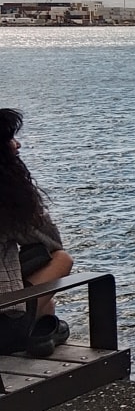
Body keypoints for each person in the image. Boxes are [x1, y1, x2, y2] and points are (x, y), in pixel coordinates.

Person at [0, 108, 74, 355]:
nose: (17, 145)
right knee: (60, 259)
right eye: (10, 139)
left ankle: (40, 324)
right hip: (3, 329)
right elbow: (53, 242)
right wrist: (23, 192)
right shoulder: (6, 198)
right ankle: (39, 329)